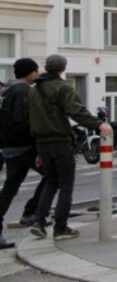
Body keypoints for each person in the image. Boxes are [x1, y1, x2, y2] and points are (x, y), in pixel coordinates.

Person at [28, 54, 112, 240]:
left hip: (42, 143)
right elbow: (77, 111)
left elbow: (29, 117)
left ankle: (39, 222)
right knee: (66, 185)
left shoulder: (33, 90)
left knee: (50, 182)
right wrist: (98, 124)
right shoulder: (63, 88)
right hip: (60, 141)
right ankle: (61, 228)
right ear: (62, 68)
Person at [0, 58, 47, 248]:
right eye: (36, 70)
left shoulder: (7, 91)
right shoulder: (23, 91)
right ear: (31, 72)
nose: (38, 73)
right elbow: (22, 119)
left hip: (9, 147)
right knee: (53, 175)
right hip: (24, 146)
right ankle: (31, 212)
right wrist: (36, 138)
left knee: (10, 188)